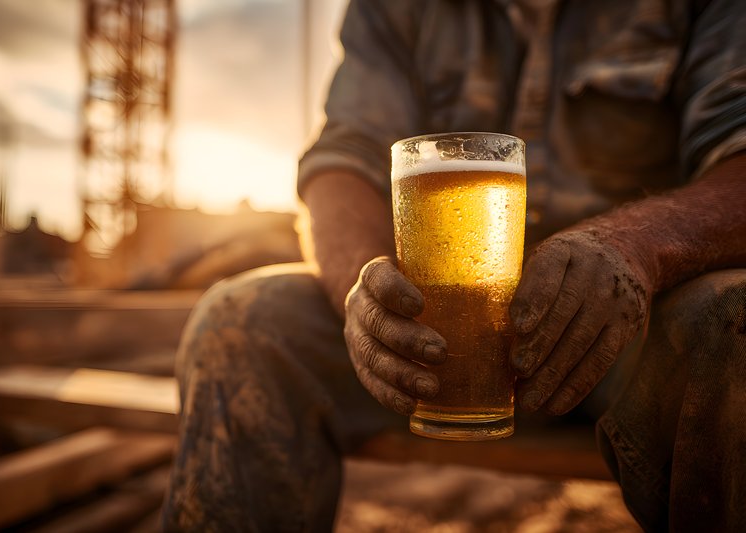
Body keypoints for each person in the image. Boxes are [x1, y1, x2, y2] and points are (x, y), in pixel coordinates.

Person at [162, 0, 746, 531]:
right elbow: (344, 160)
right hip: (429, 340)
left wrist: (637, 245)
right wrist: (363, 288)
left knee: (734, 322)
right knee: (238, 320)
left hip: (635, 330)